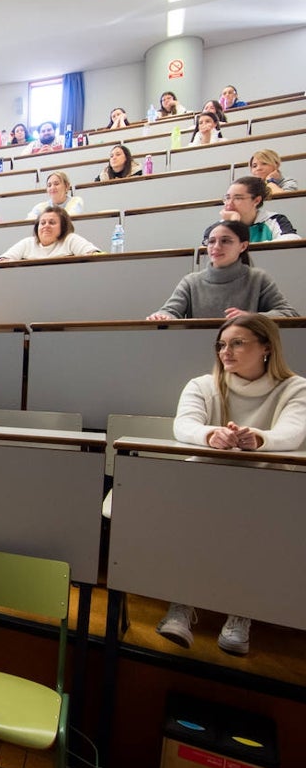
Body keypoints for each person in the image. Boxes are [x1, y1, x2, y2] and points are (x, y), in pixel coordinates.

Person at [155, 314, 305, 656]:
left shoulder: (296, 388)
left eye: (237, 343)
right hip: (209, 482)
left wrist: (257, 438)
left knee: (259, 525)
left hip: (267, 487)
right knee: (189, 518)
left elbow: (293, 433)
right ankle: (181, 604)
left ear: (267, 347)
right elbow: (184, 425)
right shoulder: (203, 385)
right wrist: (211, 434)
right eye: (221, 344)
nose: (226, 351)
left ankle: (240, 612)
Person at [147, 220, 297, 320]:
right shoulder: (191, 281)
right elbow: (170, 311)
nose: (216, 247)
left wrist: (251, 318)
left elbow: (289, 314)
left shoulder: (258, 278)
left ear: (243, 246)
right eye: (211, 241)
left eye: (225, 241)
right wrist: (162, 316)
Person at [0, 206, 101, 260]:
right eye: (42, 223)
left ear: (63, 226)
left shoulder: (71, 239)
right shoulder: (27, 243)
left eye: (52, 223)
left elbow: (95, 256)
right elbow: (2, 262)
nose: (46, 226)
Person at [217, 176, 299, 242]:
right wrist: (233, 223)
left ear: (256, 200)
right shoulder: (217, 227)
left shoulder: (275, 220)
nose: (229, 203)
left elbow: (292, 239)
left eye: (238, 198)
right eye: (227, 198)